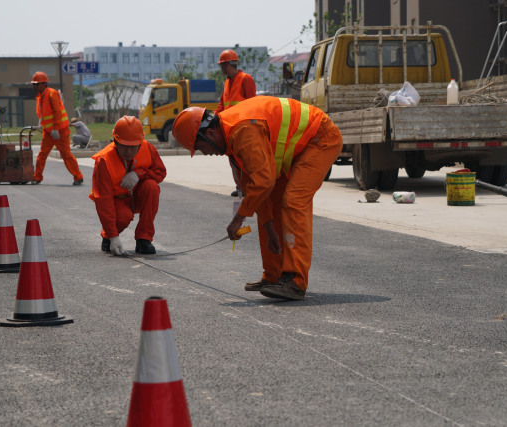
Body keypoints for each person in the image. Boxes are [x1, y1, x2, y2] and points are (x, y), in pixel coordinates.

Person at [172, 96, 343, 300]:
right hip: (297, 149)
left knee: (293, 202)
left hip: (320, 139)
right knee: (267, 200)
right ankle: (275, 275)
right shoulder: (230, 139)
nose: (205, 153)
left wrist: (238, 219)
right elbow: (257, 191)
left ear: (210, 133)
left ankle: (295, 281)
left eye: (200, 148)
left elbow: (263, 182)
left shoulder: (242, 130)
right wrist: (271, 230)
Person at [90, 116, 166, 255]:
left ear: (140, 142)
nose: (128, 151)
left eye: (133, 147)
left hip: (137, 196)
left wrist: (139, 173)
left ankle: (144, 239)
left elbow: (160, 172)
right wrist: (113, 236)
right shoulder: (104, 160)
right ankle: (107, 238)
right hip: (116, 201)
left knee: (152, 186)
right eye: (124, 146)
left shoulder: (148, 148)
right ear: (115, 141)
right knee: (124, 217)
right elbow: (103, 200)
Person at [214, 49, 256, 197]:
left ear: (227, 65)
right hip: (229, 129)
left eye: (221, 65)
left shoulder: (245, 79)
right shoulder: (227, 82)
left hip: (243, 129)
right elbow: (222, 104)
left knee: (245, 160)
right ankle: (240, 187)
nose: (220, 68)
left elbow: (253, 104)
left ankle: (249, 187)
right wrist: (214, 118)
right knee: (233, 160)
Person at [30, 71, 84, 185]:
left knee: (66, 155)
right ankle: (37, 177)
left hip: (60, 131)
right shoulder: (41, 97)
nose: (34, 86)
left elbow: (57, 112)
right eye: (33, 84)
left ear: (44, 84)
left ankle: (78, 177)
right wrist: (41, 125)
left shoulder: (51, 94)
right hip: (49, 132)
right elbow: (44, 114)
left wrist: (55, 128)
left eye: (36, 84)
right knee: (42, 155)